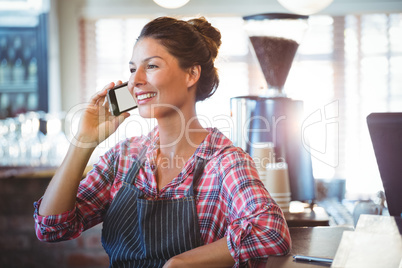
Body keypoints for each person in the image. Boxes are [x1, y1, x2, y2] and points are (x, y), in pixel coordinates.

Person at [33, 16, 291, 268]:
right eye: (133, 69)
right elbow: (52, 228)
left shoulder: (225, 162)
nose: (135, 81)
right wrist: (83, 141)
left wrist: (181, 263)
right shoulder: (123, 157)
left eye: (152, 66)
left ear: (191, 74)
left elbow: (271, 230)